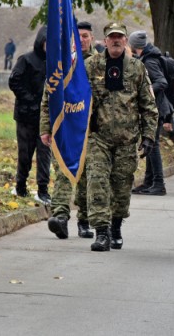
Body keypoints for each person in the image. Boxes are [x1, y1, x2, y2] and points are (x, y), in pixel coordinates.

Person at [58, 22, 157, 251]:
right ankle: (101, 232)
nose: (115, 40)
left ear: (125, 41)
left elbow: (148, 105)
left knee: (122, 188)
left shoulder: (136, 68)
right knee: (97, 182)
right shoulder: (90, 65)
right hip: (97, 138)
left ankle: (116, 226)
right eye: (111, 37)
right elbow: (76, 99)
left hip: (127, 139)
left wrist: (149, 136)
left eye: (119, 37)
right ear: (104, 40)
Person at [44, 21, 97, 239]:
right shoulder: (62, 63)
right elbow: (47, 98)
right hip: (64, 129)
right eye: (79, 36)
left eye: (85, 36)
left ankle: (84, 220)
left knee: (85, 177)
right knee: (63, 172)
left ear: (92, 38)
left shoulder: (99, 63)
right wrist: (45, 128)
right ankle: (60, 217)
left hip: (89, 130)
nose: (82, 40)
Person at [8, 27, 51, 203]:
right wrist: (31, 100)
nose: (49, 46)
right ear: (40, 41)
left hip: (45, 117)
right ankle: (21, 186)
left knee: (44, 154)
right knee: (25, 153)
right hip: (26, 116)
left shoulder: (54, 63)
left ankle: (43, 189)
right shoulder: (26, 59)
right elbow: (14, 81)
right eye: (47, 43)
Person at [128, 31, 172, 196]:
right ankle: (148, 182)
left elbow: (161, 82)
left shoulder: (150, 60)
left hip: (156, 109)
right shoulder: (146, 57)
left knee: (152, 146)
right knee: (150, 145)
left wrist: (145, 91)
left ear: (134, 45)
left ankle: (158, 184)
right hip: (155, 108)